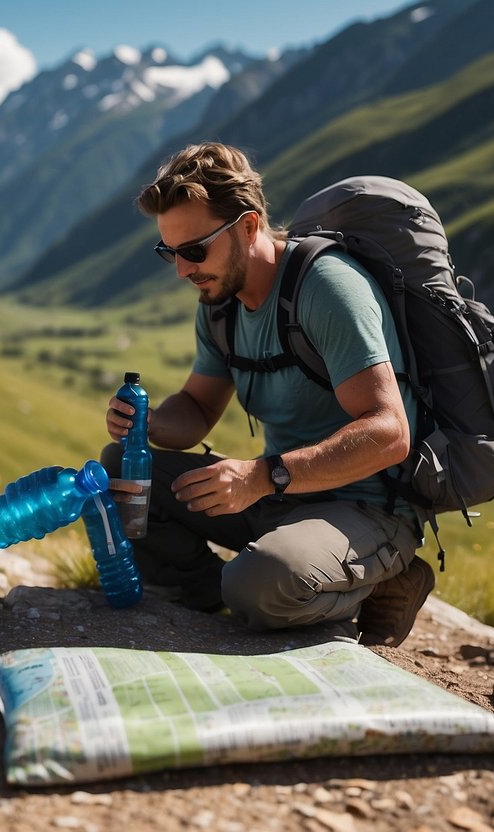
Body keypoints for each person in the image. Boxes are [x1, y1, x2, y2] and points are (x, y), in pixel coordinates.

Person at [103, 142, 434, 646]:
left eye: (194, 250)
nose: (181, 270)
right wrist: (144, 425)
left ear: (249, 226)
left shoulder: (327, 288)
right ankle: (217, 592)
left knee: (261, 586)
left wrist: (263, 475)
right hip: (277, 495)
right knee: (119, 471)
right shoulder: (220, 303)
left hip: (366, 507)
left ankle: (384, 580)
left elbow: (390, 434)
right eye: (168, 252)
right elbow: (196, 409)